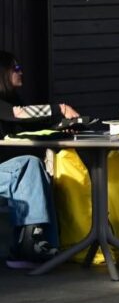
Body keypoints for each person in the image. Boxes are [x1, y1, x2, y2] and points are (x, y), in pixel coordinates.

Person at [0, 51, 77, 269]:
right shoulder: (9, 107)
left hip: (8, 171)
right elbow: (18, 114)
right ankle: (29, 244)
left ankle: (36, 244)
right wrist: (61, 109)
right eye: (16, 68)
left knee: (37, 171)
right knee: (29, 165)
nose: (21, 72)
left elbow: (34, 124)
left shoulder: (12, 99)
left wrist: (62, 127)